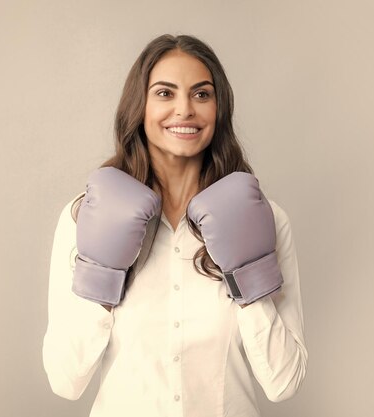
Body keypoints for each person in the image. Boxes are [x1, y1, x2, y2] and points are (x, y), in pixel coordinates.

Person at [42, 34, 308, 417]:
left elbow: (284, 382)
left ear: (219, 108)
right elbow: (65, 382)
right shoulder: (83, 217)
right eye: (165, 93)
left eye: (201, 94)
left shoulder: (266, 219)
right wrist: (103, 273)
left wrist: (247, 275)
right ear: (140, 107)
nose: (184, 110)